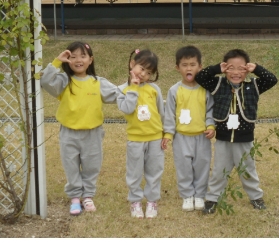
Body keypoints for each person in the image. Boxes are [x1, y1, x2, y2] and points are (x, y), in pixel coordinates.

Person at [40, 41, 119, 216]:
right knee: (71, 166)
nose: (78, 60)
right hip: (69, 133)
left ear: (90, 60)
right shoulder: (63, 81)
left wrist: (134, 88)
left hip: (93, 133)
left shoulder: (98, 82)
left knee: (92, 166)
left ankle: (88, 196)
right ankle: (75, 198)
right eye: (73, 56)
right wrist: (57, 61)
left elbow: (118, 94)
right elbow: (45, 80)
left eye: (83, 56)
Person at [195, 48, 278, 214]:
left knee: (248, 170)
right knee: (219, 171)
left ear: (247, 69)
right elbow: (200, 77)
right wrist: (217, 68)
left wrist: (257, 69)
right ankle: (212, 199)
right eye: (231, 68)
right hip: (223, 138)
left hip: (244, 138)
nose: (236, 72)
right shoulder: (218, 84)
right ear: (225, 68)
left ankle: (255, 197)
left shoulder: (254, 85)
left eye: (241, 68)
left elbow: (272, 79)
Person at [117, 49, 168, 219]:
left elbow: (162, 112)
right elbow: (127, 108)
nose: (144, 74)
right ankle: (135, 201)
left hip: (155, 138)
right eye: (142, 68)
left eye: (149, 72)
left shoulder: (154, 89)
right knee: (134, 172)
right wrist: (133, 88)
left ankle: (152, 201)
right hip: (135, 139)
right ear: (132, 64)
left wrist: (166, 133)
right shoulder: (122, 90)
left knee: (155, 171)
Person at [164, 45, 215, 212]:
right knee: (184, 167)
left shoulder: (205, 89)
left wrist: (210, 126)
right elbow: (169, 114)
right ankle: (187, 195)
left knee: (202, 166)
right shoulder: (174, 90)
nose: (189, 68)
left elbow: (210, 110)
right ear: (177, 68)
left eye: (193, 64)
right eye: (184, 65)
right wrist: (168, 134)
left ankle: (200, 195)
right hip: (181, 137)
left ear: (200, 66)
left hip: (202, 137)